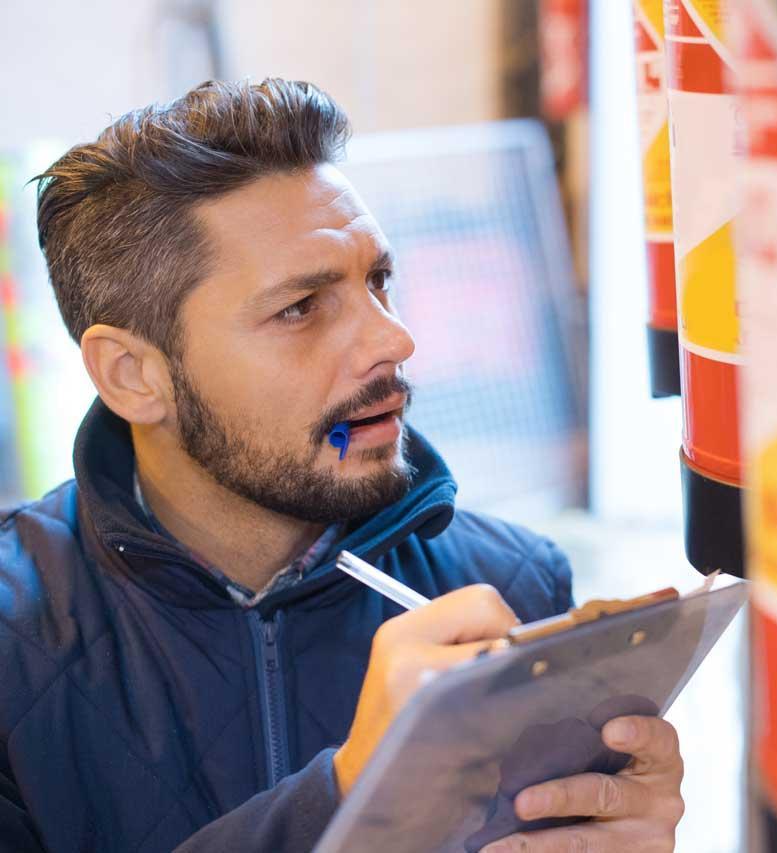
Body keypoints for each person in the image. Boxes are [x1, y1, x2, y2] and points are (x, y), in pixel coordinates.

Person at [0, 79, 685, 852]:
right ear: (132, 374)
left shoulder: (513, 585)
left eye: (378, 280)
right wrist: (351, 797)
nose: (393, 342)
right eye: (300, 308)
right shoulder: (15, 639)